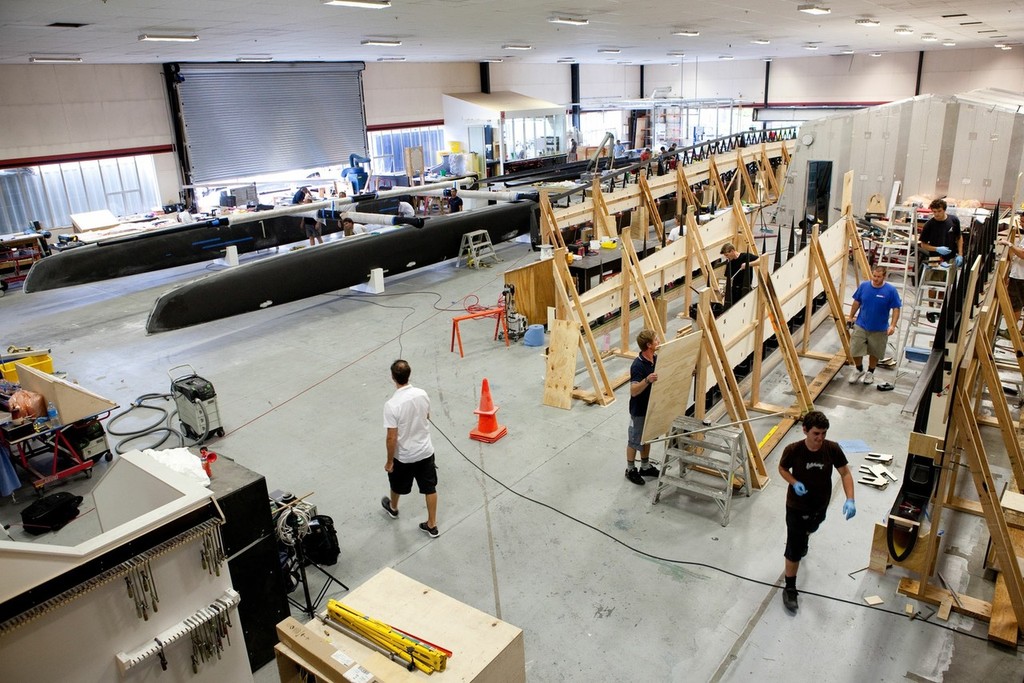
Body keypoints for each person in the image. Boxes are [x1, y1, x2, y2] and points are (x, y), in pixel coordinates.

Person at [777, 410, 855, 612]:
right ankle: (790, 588)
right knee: (794, 547)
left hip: (820, 505)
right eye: (816, 434)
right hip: (796, 506)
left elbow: (845, 472)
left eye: (823, 434)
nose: (820, 438)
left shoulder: (832, 449)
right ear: (805, 430)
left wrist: (850, 499)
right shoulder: (793, 450)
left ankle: (805, 536)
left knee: (812, 527)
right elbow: (783, 469)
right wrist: (794, 482)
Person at [381, 360, 439, 538]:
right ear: (409, 374)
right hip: (425, 451)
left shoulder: (392, 405)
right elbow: (427, 415)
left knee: (397, 484)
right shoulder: (422, 394)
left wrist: (390, 461)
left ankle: (393, 507)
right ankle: (431, 525)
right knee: (430, 488)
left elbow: (392, 437)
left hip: (404, 456)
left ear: (393, 377)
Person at [846, 265, 902, 385]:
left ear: (884, 276)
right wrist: (851, 317)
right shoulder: (864, 286)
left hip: (879, 329)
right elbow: (857, 301)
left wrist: (892, 325)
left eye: (878, 277)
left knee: (874, 352)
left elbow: (896, 309)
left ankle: (870, 372)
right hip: (861, 325)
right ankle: (859, 369)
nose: (875, 279)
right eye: (874, 276)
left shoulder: (891, 291)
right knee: (855, 349)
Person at [625, 329, 661, 486]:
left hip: (651, 406)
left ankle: (645, 466)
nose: (659, 341)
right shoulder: (638, 365)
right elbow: (633, 391)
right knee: (634, 440)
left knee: (648, 437)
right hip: (639, 409)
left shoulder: (655, 359)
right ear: (649, 345)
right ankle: (630, 469)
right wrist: (647, 380)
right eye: (656, 340)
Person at [918, 198, 963, 277]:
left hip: (951, 258)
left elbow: (959, 237)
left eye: (939, 211)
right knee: (933, 284)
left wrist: (960, 254)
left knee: (948, 284)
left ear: (944, 210)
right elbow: (923, 245)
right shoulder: (929, 225)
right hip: (935, 258)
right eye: (934, 211)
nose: (936, 214)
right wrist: (937, 249)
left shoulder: (954, 220)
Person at [997, 233, 1024, 339]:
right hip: (1020, 275)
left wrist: (1010, 244)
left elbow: (1022, 254)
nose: (1021, 224)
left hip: (1020, 277)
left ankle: (1011, 331)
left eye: (1023, 221)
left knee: (1015, 305)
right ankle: (1021, 332)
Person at [720, 242, 758, 307]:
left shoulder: (745, 256)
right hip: (734, 291)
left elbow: (761, 260)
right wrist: (724, 291)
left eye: (727, 255)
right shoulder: (729, 264)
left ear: (732, 251)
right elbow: (728, 280)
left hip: (745, 289)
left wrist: (748, 264)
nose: (727, 257)